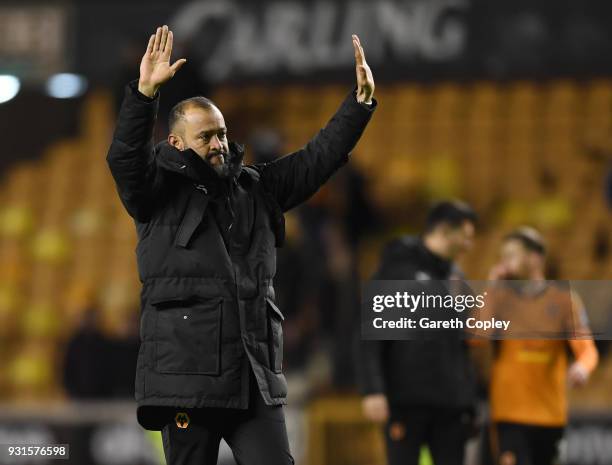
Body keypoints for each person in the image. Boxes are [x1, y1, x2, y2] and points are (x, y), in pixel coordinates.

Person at [106, 25, 376, 465]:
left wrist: (359, 106)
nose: (219, 144)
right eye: (205, 137)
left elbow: (316, 159)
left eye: (222, 133)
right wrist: (143, 96)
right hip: (187, 379)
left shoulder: (256, 188)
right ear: (175, 143)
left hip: (253, 375)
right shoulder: (155, 194)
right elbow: (125, 161)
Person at [358, 200, 478, 465]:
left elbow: (462, 346)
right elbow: (372, 337)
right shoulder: (396, 269)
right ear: (445, 231)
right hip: (406, 402)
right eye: (466, 237)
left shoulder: (458, 278)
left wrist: (469, 401)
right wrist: (373, 389)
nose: (470, 246)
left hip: (450, 405)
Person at [479, 226, 599, 465]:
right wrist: (492, 288)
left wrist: (583, 368)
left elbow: (586, 349)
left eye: (511, 256)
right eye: (502, 257)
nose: (504, 264)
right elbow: (477, 336)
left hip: (550, 415)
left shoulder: (564, 300)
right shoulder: (500, 299)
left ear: (534, 258)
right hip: (509, 413)